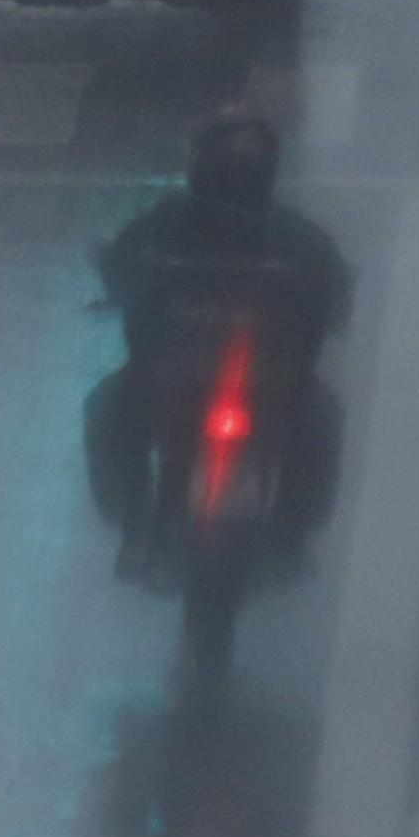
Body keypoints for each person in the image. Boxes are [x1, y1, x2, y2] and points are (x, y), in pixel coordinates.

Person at [85, 108, 352, 567]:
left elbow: (120, 265)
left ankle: (139, 520)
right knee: (109, 409)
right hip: (203, 383)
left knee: (108, 408)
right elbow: (334, 293)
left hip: (241, 385)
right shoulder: (293, 234)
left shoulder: (170, 223)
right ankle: (139, 519)